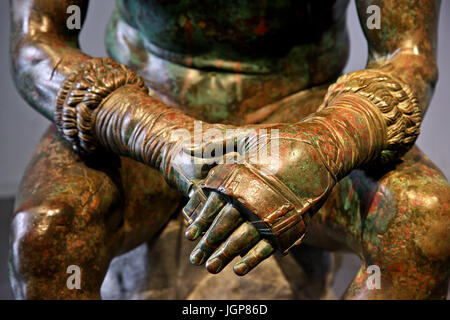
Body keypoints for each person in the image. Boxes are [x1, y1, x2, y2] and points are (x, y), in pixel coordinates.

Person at [9, 0, 449, 299]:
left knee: (425, 217)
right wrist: (155, 132)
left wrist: (324, 144)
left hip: (301, 113)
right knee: (46, 232)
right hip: (146, 105)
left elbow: (406, 54)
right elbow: (38, 43)